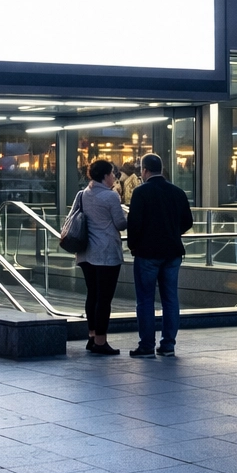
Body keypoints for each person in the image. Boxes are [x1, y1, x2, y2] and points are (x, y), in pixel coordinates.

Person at [126, 152, 193, 358]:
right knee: (170, 299)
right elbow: (187, 222)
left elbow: (134, 224)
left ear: (144, 170)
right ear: (161, 169)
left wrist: (134, 246)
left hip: (147, 253)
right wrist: (172, 233)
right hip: (172, 252)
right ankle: (168, 345)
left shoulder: (141, 192)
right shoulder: (177, 192)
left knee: (145, 300)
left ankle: (146, 346)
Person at [71, 159, 127, 355]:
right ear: (105, 176)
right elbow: (120, 224)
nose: (114, 177)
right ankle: (101, 342)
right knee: (104, 298)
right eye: (112, 173)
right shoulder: (111, 196)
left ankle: (92, 336)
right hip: (105, 254)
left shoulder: (83, 193)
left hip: (86, 253)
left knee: (92, 294)